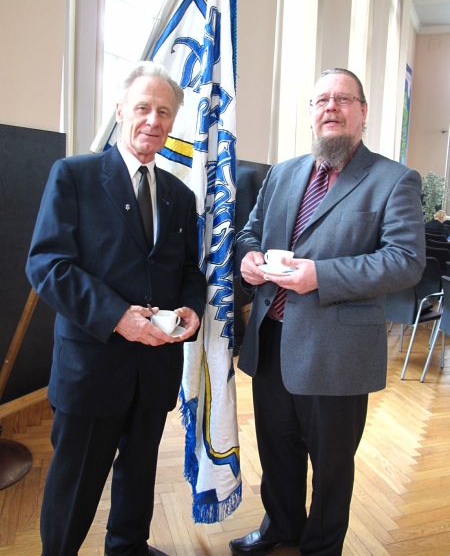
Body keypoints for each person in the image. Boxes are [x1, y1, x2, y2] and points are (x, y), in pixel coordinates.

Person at [229, 68, 425, 556]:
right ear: (312, 113)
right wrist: (249, 259)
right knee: (276, 449)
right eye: (321, 100)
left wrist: (322, 275)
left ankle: (320, 547)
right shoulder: (282, 173)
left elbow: (405, 260)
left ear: (362, 111)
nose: (330, 108)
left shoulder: (393, 180)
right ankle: (281, 528)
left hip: (337, 350)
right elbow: (249, 233)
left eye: (343, 99)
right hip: (271, 341)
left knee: (332, 465)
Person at [26, 61, 206, 556]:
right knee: (75, 484)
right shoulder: (74, 176)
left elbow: (188, 270)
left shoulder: (179, 195)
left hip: (155, 366)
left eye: (164, 112)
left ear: (172, 122)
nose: (153, 120)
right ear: (121, 109)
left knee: (139, 473)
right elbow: (47, 265)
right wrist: (117, 317)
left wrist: (192, 308)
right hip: (92, 366)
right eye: (143, 107)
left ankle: (128, 547)